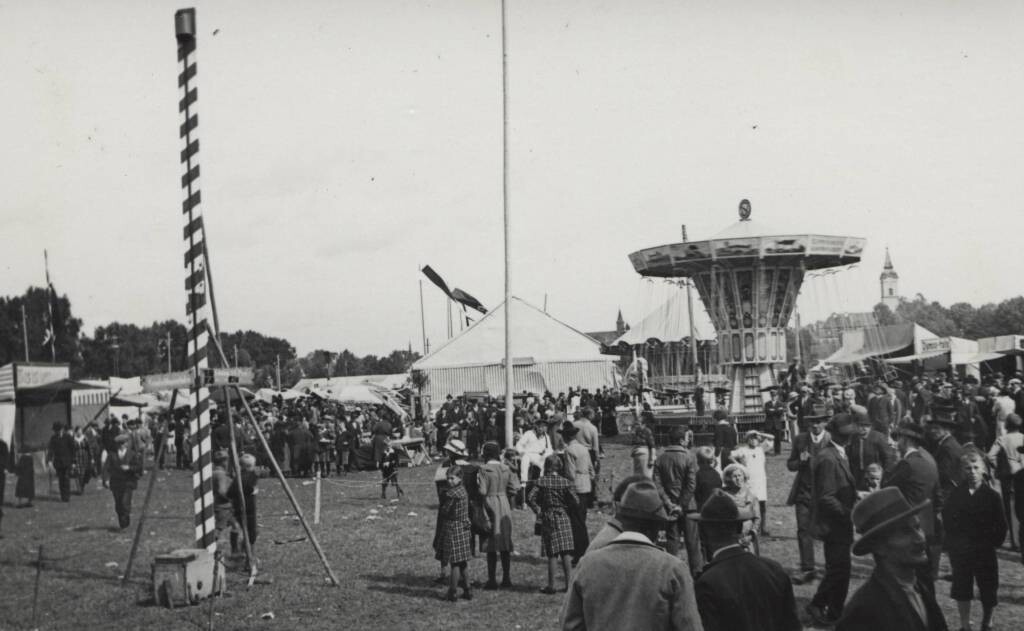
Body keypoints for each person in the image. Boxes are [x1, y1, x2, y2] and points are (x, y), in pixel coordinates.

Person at [561, 479, 703, 631]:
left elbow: (570, 625)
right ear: (655, 528)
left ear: (622, 518)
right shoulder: (673, 569)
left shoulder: (588, 564)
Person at [837, 487, 947, 631]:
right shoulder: (864, 610)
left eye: (917, 527)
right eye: (905, 532)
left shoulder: (921, 587)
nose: (920, 539)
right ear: (879, 547)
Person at [693, 491, 801, 631]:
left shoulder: (707, 582)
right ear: (739, 528)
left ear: (703, 533)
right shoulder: (774, 569)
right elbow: (793, 625)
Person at [943, 451, 1006, 631]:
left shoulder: (992, 496)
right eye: (968, 468)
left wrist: (992, 543)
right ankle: (965, 624)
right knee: (962, 588)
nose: (972, 472)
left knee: (988, 588)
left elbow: (1001, 525)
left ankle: (987, 622)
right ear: (963, 471)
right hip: (962, 550)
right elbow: (947, 520)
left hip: (984, 550)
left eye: (976, 467)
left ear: (983, 469)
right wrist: (955, 543)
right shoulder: (956, 495)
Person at [806, 412, 858, 627]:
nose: (850, 438)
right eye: (846, 435)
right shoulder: (828, 458)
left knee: (841, 570)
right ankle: (819, 605)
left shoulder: (839, 453)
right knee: (839, 569)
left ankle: (834, 611)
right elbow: (826, 497)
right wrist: (850, 513)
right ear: (835, 434)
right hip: (833, 524)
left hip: (839, 523)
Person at [884, 420, 941, 588]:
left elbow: (886, 490)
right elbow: (937, 495)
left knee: (903, 578)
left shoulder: (906, 464)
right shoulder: (929, 461)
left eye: (898, 439)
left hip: (907, 527)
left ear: (906, 440)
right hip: (926, 526)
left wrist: (891, 463)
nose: (896, 443)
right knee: (924, 579)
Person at [785, 407, 830, 585]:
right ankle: (807, 568)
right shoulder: (800, 440)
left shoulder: (831, 440)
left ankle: (830, 568)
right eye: (812, 422)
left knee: (827, 531)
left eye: (818, 421)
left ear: (825, 422)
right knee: (803, 530)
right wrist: (800, 461)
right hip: (804, 492)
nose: (815, 425)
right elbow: (790, 464)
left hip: (826, 494)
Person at [653, 425, 703, 575]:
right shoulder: (689, 457)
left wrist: (669, 503)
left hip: (669, 507)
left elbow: (657, 484)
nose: (689, 441)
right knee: (693, 543)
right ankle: (696, 574)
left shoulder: (660, 458)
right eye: (687, 438)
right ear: (681, 440)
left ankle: (671, 574)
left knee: (672, 541)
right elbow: (691, 484)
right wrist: (681, 505)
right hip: (688, 507)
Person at [527, 454, 579, 594]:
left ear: (546, 466)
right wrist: (568, 507)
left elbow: (530, 497)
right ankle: (569, 585)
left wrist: (538, 510)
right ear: (559, 466)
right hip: (563, 515)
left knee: (552, 552)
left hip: (548, 516)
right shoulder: (566, 482)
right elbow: (575, 500)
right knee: (566, 551)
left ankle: (551, 586)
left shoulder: (541, 481)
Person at [477, 441, 520, 589]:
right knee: (505, 542)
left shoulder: (484, 469)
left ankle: (492, 580)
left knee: (491, 544)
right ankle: (506, 578)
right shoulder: (506, 468)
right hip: (504, 503)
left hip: (489, 503)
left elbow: (482, 491)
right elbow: (514, 488)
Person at [432, 440, 469, 584]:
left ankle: (448, 573)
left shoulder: (446, 466)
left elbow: (440, 487)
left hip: (449, 508)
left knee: (444, 539)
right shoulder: (464, 467)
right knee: (452, 542)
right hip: (461, 508)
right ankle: (455, 575)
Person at [987, 412, 1023, 554]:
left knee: (1011, 507)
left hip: (1009, 477)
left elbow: (990, 456)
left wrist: (999, 467)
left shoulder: (1002, 439)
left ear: (1007, 425)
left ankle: (1016, 541)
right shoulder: (1023, 437)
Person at [439, 464, 473, 602]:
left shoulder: (453, 494)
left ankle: (452, 592)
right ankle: (468, 590)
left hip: (454, 529)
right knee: (462, 562)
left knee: (455, 563)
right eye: (448, 478)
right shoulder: (463, 490)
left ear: (460, 478)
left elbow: (445, 510)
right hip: (463, 528)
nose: (449, 481)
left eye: (452, 478)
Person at [560, 422, 593, 561]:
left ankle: (580, 551)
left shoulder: (569, 450)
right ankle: (582, 549)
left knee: (576, 521)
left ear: (566, 437)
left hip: (576, 486)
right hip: (586, 484)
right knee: (581, 518)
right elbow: (591, 468)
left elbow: (570, 473)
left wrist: (568, 489)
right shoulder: (583, 448)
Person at [730, 431, 769, 536]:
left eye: (755, 438)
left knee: (762, 505)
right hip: (750, 481)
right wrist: (739, 465)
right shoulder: (743, 450)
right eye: (751, 438)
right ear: (747, 440)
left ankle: (763, 528)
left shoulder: (761, 449)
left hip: (760, 480)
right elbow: (730, 455)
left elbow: (772, 438)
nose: (753, 441)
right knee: (750, 504)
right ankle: (751, 528)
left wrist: (759, 433)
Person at [848, 411, 898, 488]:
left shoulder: (878, 437)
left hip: (875, 476)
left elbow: (889, 458)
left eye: (867, 426)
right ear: (856, 426)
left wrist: (885, 476)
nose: (864, 428)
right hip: (858, 476)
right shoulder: (853, 438)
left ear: (871, 427)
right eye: (861, 425)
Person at [105, 433, 142, 529]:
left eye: (123, 443)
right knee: (118, 504)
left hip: (128, 482)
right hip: (116, 483)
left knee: (125, 502)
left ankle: (125, 522)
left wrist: (129, 468)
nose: (121, 445)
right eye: (120, 444)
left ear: (126, 443)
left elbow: (139, 467)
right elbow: (106, 468)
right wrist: (106, 479)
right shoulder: (112, 454)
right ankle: (122, 521)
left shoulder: (132, 454)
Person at [720, 464, 760, 546]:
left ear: (744, 477)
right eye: (734, 476)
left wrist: (751, 535)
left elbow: (757, 518)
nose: (738, 479)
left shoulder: (751, 495)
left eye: (740, 475)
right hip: (730, 538)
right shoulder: (724, 496)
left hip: (747, 538)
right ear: (728, 479)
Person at [229, 452, 259, 561]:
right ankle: (248, 556)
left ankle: (240, 551)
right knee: (251, 533)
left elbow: (230, 493)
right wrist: (252, 490)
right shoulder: (249, 477)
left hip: (239, 508)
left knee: (245, 531)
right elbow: (249, 488)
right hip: (247, 510)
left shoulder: (238, 477)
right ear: (250, 466)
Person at [514, 418, 553, 484]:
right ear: (536, 426)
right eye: (539, 426)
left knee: (545, 464)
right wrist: (521, 451)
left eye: (542, 427)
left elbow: (550, 449)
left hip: (539, 456)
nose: (540, 429)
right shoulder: (529, 433)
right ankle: (524, 481)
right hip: (528, 454)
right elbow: (519, 444)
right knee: (525, 460)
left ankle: (541, 482)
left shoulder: (546, 437)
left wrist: (545, 454)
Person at [46, 422, 75, 502]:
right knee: (61, 479)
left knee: (66, 478)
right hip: (58, 462)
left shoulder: (68, 437)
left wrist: (73, 462)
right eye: (55, 430)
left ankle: (67, 496)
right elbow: (50, 450)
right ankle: (63, 496)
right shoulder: (53, 438)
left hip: (67, 461)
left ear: (61, 429)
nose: (56, 432)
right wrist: (49, 460)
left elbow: (73, 450)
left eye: (57, 430)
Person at [630, 408, 657, 478]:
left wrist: (651, 459)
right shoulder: (636, 432)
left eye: (638, 424)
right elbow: (634, 443)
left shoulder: (647, 431)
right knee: (637, 475)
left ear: (643, 424)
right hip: (637, 455)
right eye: (635, 424)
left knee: (646, 475)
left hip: (645, 455)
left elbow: (652, 446)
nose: (636, 426)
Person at [763, 388, 787, 456]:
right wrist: (776, 410)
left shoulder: (780, 404)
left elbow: (780, 413)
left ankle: (777, 451)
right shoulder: (767, 403)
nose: (773, 397)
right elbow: (768, 412)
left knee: (777, 439)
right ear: (771, 396)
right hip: (769, 423)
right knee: (768, 438)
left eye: (775, 395)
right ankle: (766, 451)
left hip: (777, 424)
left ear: (777, 396)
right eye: (772, 396)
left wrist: (773, 410)